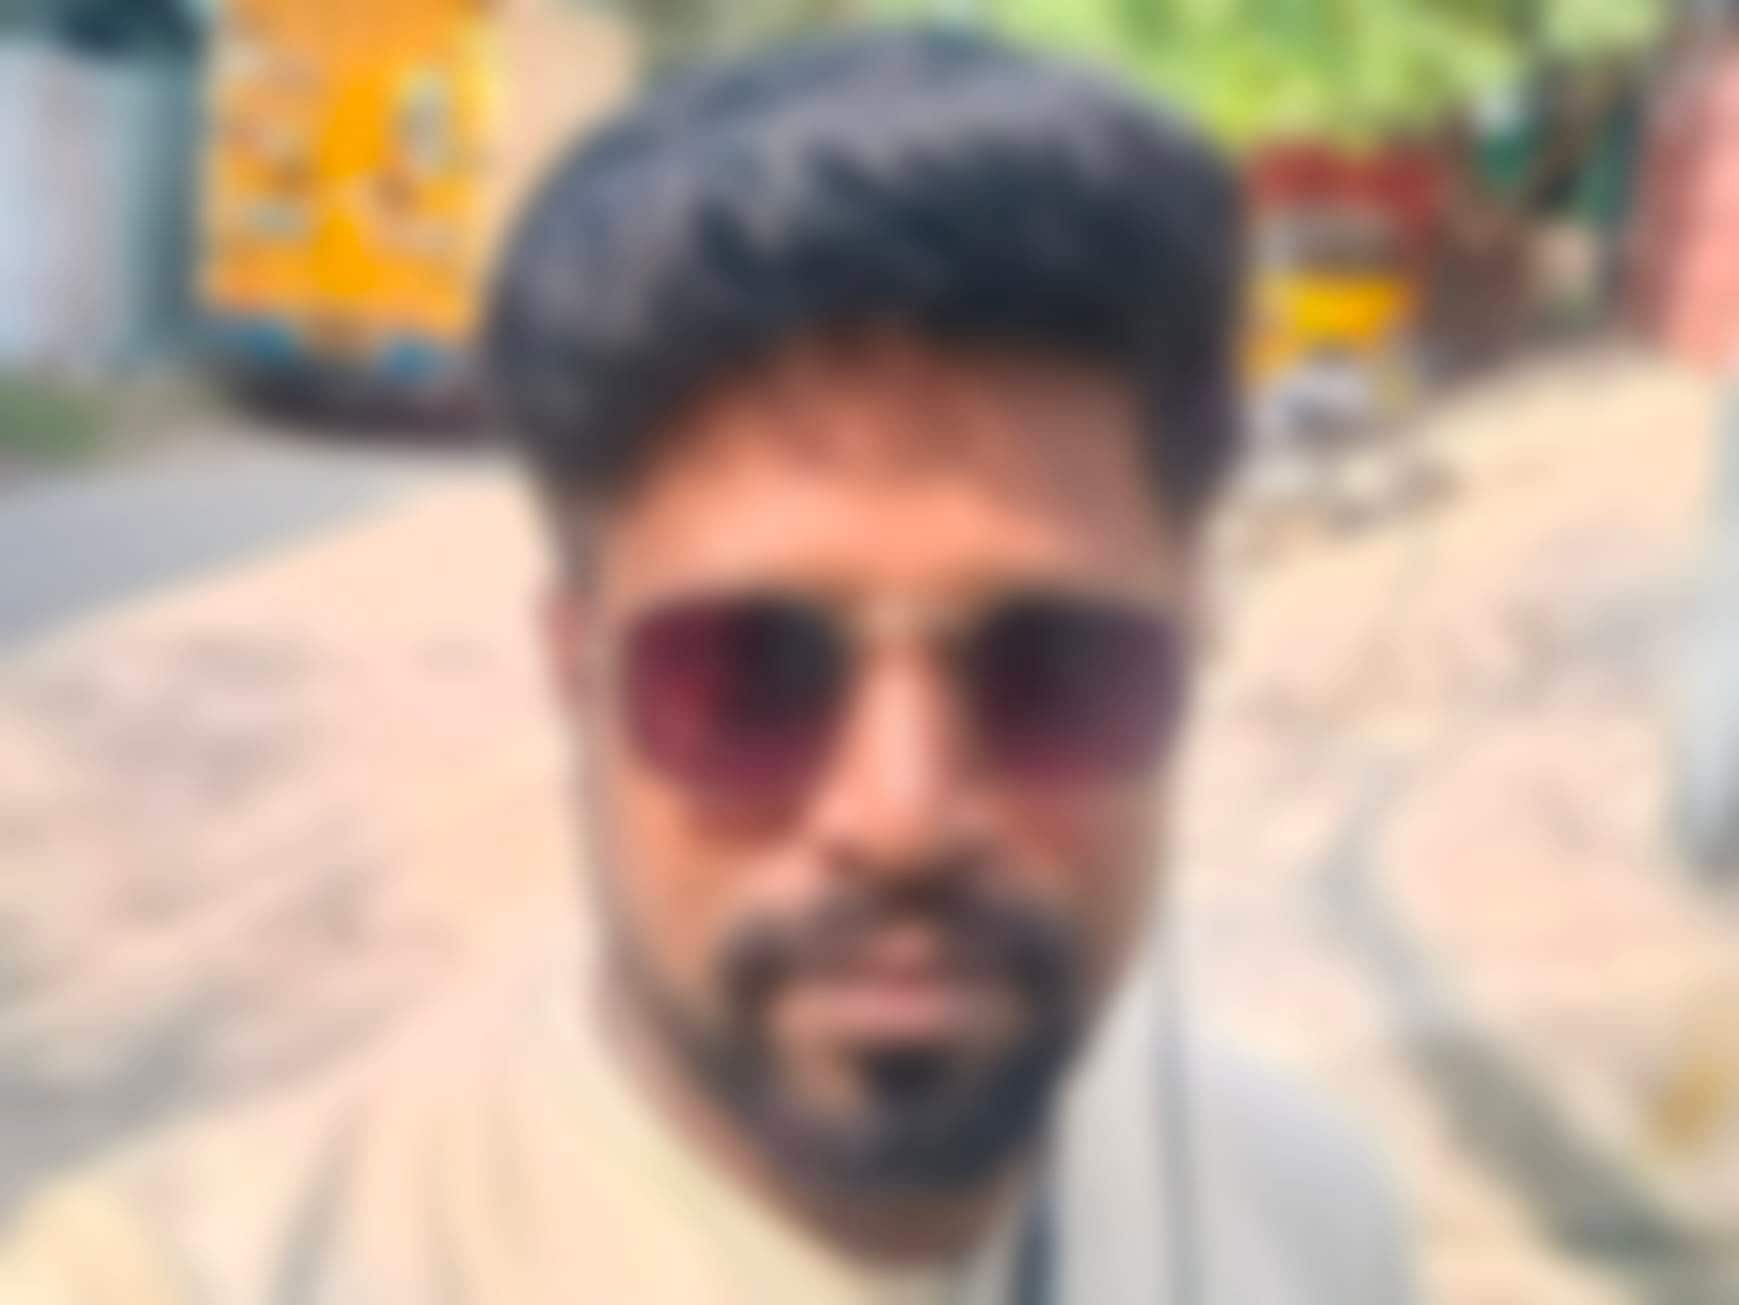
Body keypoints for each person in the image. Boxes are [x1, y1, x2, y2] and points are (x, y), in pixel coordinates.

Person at [0, 29, 1414, 1304]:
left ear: (1191, 649)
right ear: (579, 675)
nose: (900, 814)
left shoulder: (1306, 1224)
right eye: (748, 674)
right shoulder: (196, 1273)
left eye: (1051, 668)